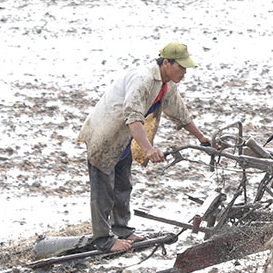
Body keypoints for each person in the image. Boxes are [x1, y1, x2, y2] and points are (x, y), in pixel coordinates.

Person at [78, 42, 212, 252]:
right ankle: (103, 240)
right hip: (106, 134)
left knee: (123, 185)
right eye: (181, 67)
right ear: (166, 63)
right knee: (103, 189)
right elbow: (133, 116)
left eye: (187, 68)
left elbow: (180, 114)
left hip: (125, 139)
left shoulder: (166, 84)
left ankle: (122, 229)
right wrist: (149, 149)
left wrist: (202, 138)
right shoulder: (143, 79)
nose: (185, 72)